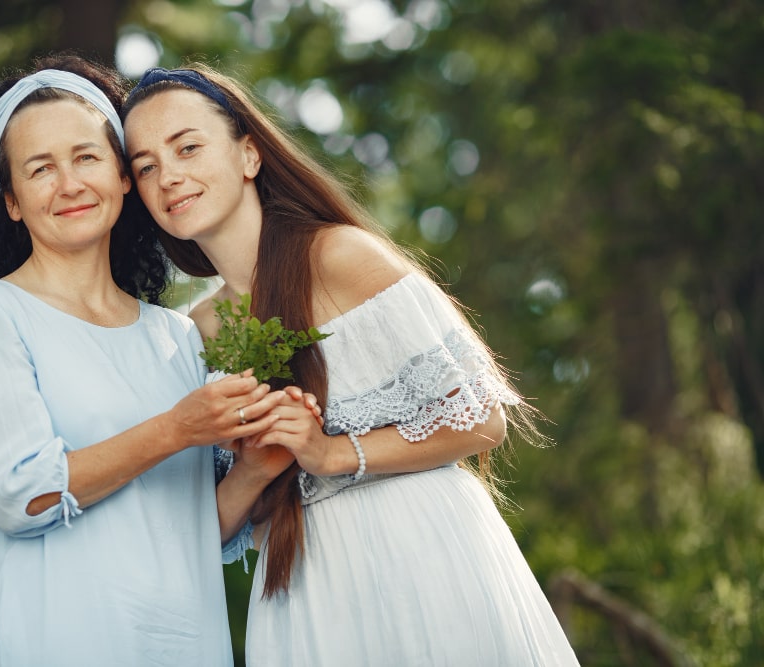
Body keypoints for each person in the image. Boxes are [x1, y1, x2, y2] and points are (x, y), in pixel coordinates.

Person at [122, 66, 580, 666]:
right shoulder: (195, 334)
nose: (169, 176)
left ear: (250, 155)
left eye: (187, 147)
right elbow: (203, 529)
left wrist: (333, 452)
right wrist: (256, 470)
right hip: (302, 595)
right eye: (146, 166)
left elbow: (482, 417)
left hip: (423, 559)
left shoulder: (339, 256)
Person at [0, 54, 309, 666]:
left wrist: (255, 470)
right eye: (39, 169)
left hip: (173, 641)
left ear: (124, 178)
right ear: (12, 201)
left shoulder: (176, 337)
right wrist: (178, 428)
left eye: (87, 158)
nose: (69, 184)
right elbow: (22, 495)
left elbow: (188, 528)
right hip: (51, 638)